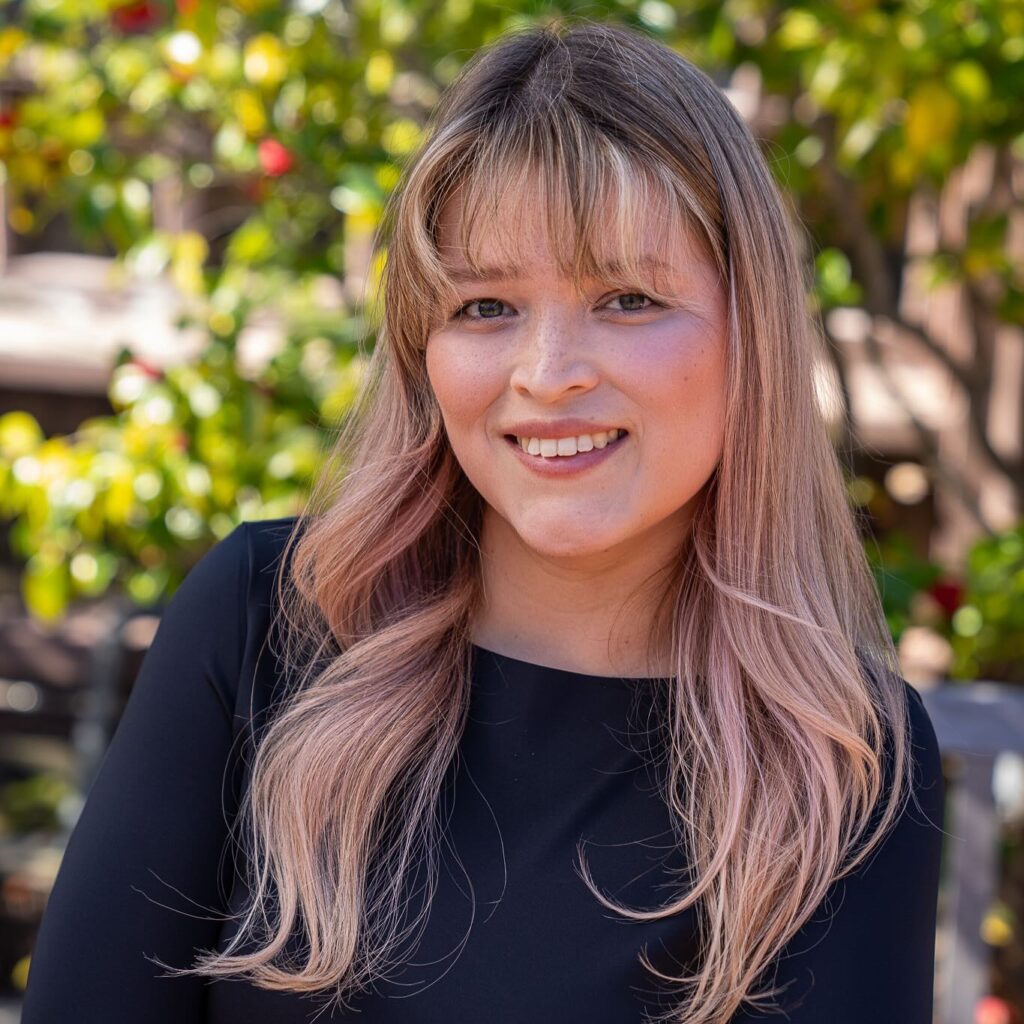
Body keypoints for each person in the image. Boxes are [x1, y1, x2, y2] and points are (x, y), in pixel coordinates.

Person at [21, 16, 946, 1024]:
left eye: (628, 298)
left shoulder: (838, 757)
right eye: (484, 307)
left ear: (749, 332)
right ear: (422, 349)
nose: (546, 374)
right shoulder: (263, 623)